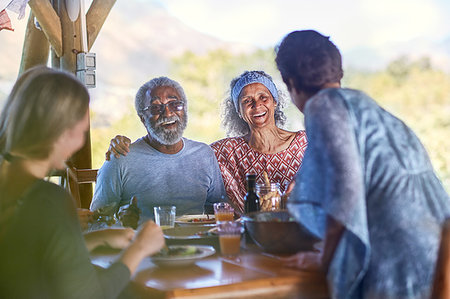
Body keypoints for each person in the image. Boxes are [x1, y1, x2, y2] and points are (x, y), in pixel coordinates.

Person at [275, 30, 450, 299]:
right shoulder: (366, 105)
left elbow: (346, 190)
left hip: (399, 262)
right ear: (337, 73)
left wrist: (325, 260)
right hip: (435, 251)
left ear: (291, 83)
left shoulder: (323, 107)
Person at [0, 66, 165, 298]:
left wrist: (95, 239)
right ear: (60, 131)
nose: (80, 141)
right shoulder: (47, 198)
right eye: (82, 130)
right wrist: (140, 248)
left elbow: (25, 254)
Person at [107, 71, 307, 213]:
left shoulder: (305, 143)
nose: (257, 105)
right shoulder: (224, 151)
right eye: (247, 101)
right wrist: (117, 148)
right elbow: (177, 154)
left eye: (264, 97)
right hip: (250, 238)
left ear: (275, 101)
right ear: (238, 111)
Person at [91, 76, 226, 221]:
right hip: (142, 242)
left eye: (174, 104)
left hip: (200, 241)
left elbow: (220, 209)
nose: (167, 113)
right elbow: (97, 220)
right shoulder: (120, 159)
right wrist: (120, 220)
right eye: (156, 107)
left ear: (185, 110)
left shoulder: (204, 155)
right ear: (143, 118)